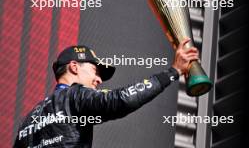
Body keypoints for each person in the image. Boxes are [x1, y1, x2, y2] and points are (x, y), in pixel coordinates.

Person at [13, 38, 198, 148]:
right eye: (95, 71)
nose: (99, 80)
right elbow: (122, 100)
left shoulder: (28, 121)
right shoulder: (75, 96)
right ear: (74, 67)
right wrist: (172, 73)